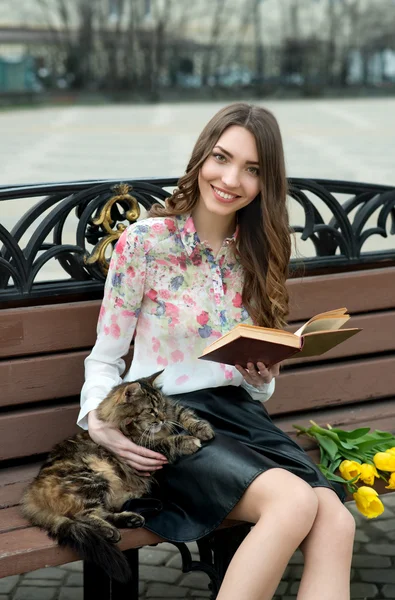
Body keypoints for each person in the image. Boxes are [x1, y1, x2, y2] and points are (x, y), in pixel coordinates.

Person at [78, 103, 355, 600]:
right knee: (293, 504)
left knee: (335, 517)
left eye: (252, 170)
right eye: (222, 158)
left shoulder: (256, 249)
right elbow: (104, 356)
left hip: (238, 416)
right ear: (202, 156)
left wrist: (259, 374)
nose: (231, 179)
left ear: (266, 183)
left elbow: (254, 385)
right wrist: (97, 423)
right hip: (166, 420)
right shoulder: (145, 243)